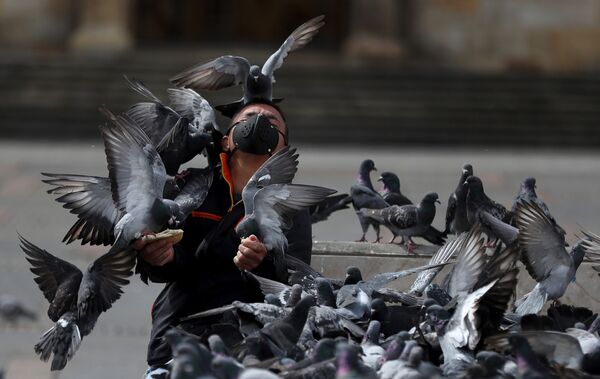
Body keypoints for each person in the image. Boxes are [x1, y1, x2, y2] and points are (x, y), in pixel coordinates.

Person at [136, 101, 312, 378]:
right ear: (226, 140)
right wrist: (161, 256)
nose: (260, 121)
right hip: (184, 327)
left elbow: (295, 280)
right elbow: (163, 267)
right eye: (250, 117)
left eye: (273, 122)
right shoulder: (189, 185)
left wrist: (261, 263)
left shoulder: (291, 207)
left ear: (283, 149)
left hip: (252, 339)